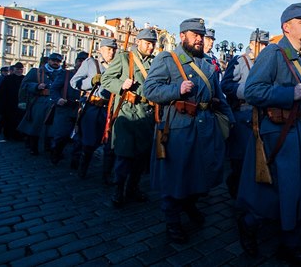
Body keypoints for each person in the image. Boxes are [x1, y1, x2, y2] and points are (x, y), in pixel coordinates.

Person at [237, 2, 301, 265]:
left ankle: (290, 244)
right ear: (287, 27)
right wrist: (286, 94)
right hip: (277, 135)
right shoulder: (274, 53)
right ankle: (249, 225)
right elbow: (252, 91)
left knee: (298, 192)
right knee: (272, 193)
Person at [143, 18, 234, 243]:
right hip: (178, 127)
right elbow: (150, 89)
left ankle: (189, 205)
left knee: (200, 172)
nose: (199, 39)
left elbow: (219, 96)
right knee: (176, 176)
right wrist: (177, 89)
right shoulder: (168, 59)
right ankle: (172, 221)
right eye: (195, 35)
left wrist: (230, 121)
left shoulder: (207, 63)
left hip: (205, 125)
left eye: (201, 36)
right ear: (182, 36)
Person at [101, 28, 157, 208]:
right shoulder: (125, 58)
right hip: (127, 112)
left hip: (146, 114)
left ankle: (133, 188)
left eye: (153, 43)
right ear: (138, 42)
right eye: (148, 43)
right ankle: (118, 190)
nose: (151, 46)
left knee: (140, 156)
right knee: (124, 155)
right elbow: (106, 79)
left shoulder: (155, 63)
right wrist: (121, 84)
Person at [221, 28, 269, 199]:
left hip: (260, 116)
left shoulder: (265, 64)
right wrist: (245, 91)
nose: (264, 47)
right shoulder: (240, 61)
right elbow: (225, 86)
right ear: (252, 44)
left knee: (256, 158)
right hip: (243, 116)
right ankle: (236, 190)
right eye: (261, 44)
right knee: (240, 160)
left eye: (266, 44)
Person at [70, 39, 118, 180]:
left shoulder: (118, 65)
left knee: (110, 145)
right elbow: (74, 82)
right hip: (93, 108)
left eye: (114, 49)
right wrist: (90, 82)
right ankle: (82, 170)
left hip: (110, 109)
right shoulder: (90, 63)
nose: (111, 52)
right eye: (108, 49)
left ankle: (106, 176)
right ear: (101, 50)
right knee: (89, 143)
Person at [17, 53, 64, 155]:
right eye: (53, 60)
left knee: (53, 127)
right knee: (35, 126)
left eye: (58, 61)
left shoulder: (63, 73)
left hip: (56, 102)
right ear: (49, 61)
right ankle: (33, 147)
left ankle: (50, 147)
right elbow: (25, 84)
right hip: (40, 101)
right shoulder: (37, 71)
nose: (56, 63)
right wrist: (36, 86)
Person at [49, 52, 87, 165]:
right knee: (61, 135)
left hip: (81, 109)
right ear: (75, 62)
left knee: (79, 138)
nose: (81, 64)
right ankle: (55, 154)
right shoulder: (66, 74)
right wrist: (58, 99)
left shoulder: (89, 77)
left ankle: (75, 161)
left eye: (84, 62)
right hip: (65, 108)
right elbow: (54, 89)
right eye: (79, 61)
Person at [0, 63, 25, 141]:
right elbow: (1, 92)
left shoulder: (24, 79)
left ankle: (18, 135)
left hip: (20, 104)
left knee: (19, 120)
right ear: (14, 70)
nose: (19, 71)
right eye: (17, 69)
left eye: (20, 69)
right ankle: (7, 135)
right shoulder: (7, 79)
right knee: (8, 120)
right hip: (8, 104)